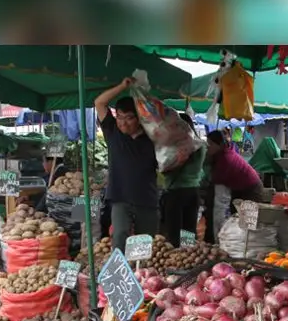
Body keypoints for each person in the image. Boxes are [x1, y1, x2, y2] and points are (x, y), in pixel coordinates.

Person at [94, 77, 159, 252]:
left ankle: (142, 276)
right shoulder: (112, 132)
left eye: (129, 118)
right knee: (120, 236)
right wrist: (122, 86)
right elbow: (99, 102)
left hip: (147, 199)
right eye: (119, 117)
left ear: (139, 118)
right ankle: (118, 274)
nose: (123, 122)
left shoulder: (152, 138)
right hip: (120, 198)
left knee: (144, 245)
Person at [159, 113, 206, 247]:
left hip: (176, 193)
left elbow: (167, 168)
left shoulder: (180, 147)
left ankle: (177, 259)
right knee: (188, 232)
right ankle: (187, 256)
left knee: (174, 233)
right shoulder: (201, 144)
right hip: (193, 192)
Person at [205, 130, 264, 203]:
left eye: (211, 144)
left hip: (251, 189)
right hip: (241, 187)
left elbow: (215, 183)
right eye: (207, 143)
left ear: (220, 145)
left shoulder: (225, 159)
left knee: (246, 213)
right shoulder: (222, 154)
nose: (207, 147)